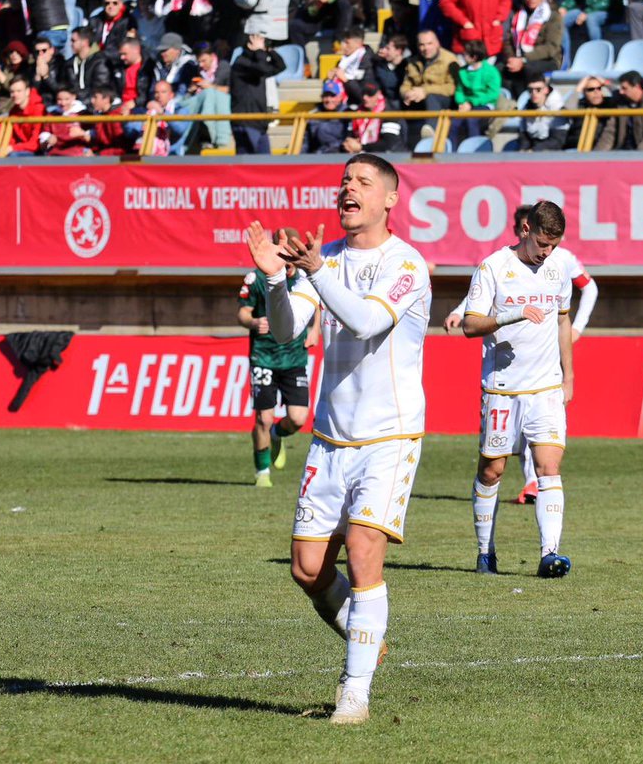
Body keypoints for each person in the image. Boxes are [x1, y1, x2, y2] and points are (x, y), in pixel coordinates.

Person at [243, 152, 432, 726]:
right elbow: (284, 328)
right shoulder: (322, 258)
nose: (348, 187)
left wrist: (315, 274)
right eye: (345, 180)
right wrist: (276, 279)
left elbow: (367, 322)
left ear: (390, 199)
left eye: (363, 181)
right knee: (305, 569)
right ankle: (365, 637)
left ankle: (354, 694)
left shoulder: (407, 264)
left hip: (388, 436)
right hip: (330, 438)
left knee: (363, 552)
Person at [461, 200, 574, 578]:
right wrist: (512, 314)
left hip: (545, 387)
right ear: (525, 229)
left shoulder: (558, 268)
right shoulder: (493, 267)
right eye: (543, 243)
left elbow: (562, 322)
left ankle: (550, 554)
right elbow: (470, 325)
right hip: (502, 389)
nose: (547, 253)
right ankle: (484, 552)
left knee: (549, 466)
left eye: (554, 245)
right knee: (492, 471)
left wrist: (568, 376)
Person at [237, 236, 319, 487]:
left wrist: (315, 330)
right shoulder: (257, 277)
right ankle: (262, 473)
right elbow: (242, 312)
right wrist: (252, 322)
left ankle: (276, 435)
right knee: (264, 417)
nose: (290, 258)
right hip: (264, 356)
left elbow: (315, 302)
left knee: (297, 419)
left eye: (293, 252)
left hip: (294, 357)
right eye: (285, 251)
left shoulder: (304, 277)